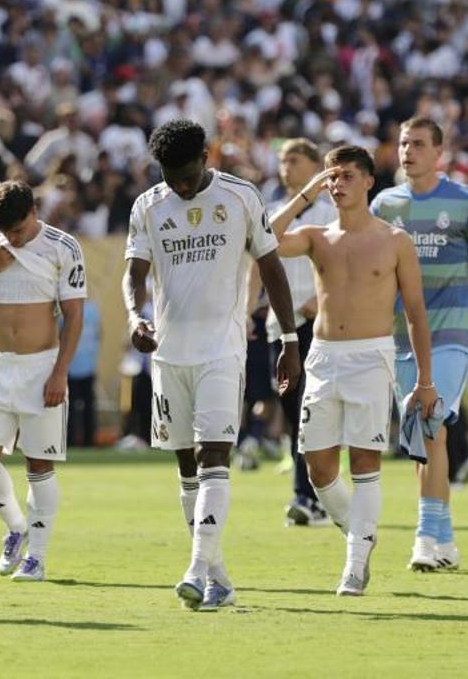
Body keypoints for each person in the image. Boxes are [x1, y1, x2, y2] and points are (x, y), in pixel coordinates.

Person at [122, 119, 301, 611]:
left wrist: (288, 339)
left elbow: (271, 267)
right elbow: (133, 273)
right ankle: (217, 575)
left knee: (213, 456)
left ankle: (196, 569)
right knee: (186, 466)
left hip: (223, 350)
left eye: (185, 174)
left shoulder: (241, 197)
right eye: (169, 176)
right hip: (168, 355)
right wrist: (135, 317)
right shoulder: (149, 206)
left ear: (207, 156)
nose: (178, 186)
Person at [269, 145, 439, 595]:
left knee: (364, 461)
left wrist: (424, 380)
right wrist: (306, 192)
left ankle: (355, 564)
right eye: (332, 176)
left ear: (368, 181)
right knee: (318, 468)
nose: (337, 183)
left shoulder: (395, 241)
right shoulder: (317, 236)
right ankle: (360, 532)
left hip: (372, 356)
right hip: (323, 356)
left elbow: (417, 314)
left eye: (346, 175)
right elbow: (264, 240)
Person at [370, 116, 468, 572]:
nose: (407, 151)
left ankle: (423, 539)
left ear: (439, 152)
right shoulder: (383, 206)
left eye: (417, 143)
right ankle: (446, 540)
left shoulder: (466, 202)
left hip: (452, 334)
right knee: (423, 439)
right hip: (401, 339)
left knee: (431, 423)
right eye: (402, 143)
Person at [0, 180, 86, 583]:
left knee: (39, 463)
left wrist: (60, 372)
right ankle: (16, 527)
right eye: (5, 231)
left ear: (34, 212)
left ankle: (38, 558)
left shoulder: (62, 247)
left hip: (41, 367)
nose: (11, 238)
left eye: (16, 230)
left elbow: (74, 316)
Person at [263, 138, 337, 526]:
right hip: (280, 323)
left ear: (314, 165)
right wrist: (250, 311)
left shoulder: (331, 211)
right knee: (295, 416)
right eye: (281, 161)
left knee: (314, 412)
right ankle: (314, 496)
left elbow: (344, 267)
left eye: (293, 160)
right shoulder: (274, 210)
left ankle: (308, 496)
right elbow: (256, 261)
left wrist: (321, 303)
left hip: (317, 324)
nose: (285, 167)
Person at [67, 298, 101, 447]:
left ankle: (86, 440)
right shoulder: (67, 308)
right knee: (72, 408)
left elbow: (99, 333)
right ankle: (72, 441)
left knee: (86, 406)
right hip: (70, 366)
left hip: (85, 365)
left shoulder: (92, 309)